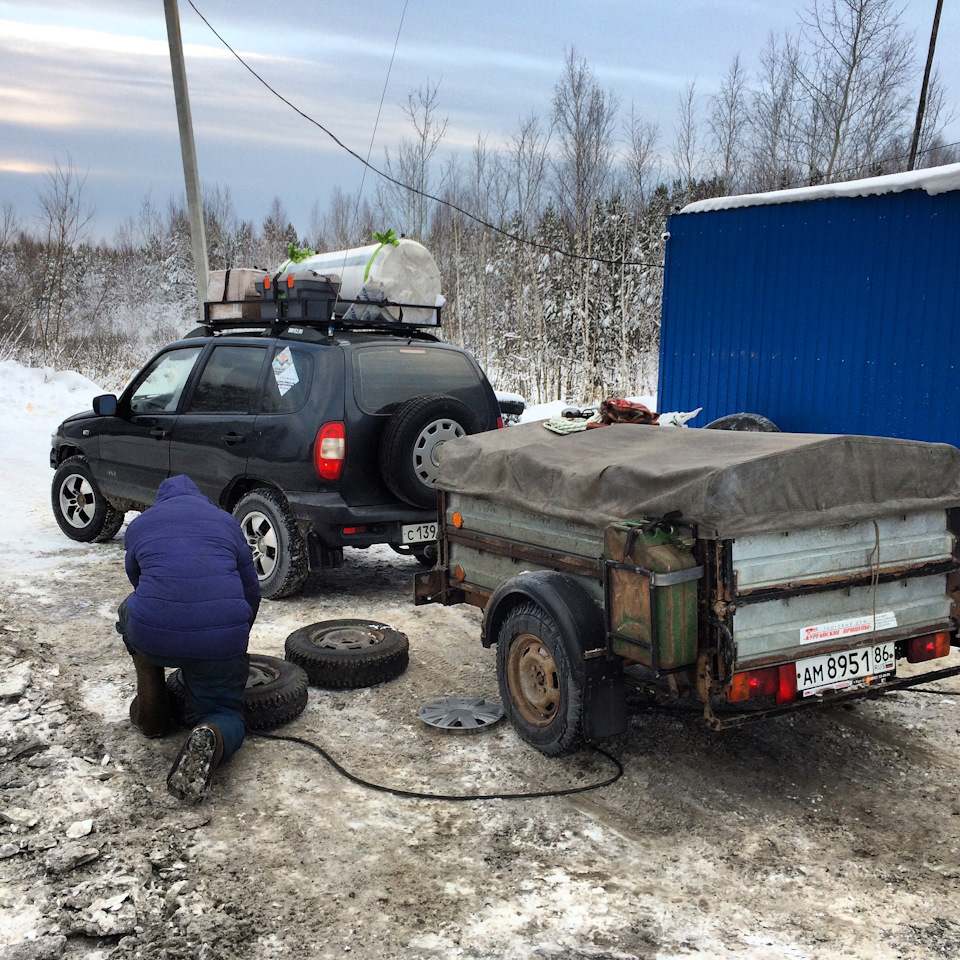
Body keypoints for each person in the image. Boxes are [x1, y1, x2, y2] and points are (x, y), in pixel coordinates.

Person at [115, 474, 260, 803]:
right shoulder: (226, 522)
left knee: (130, 611)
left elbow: (138, 581)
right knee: (224, 711)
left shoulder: (141, 525)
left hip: (154, 631)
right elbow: (251, 589)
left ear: (161, 501)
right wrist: (233, 637)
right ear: (201, 498)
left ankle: (152, 707)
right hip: (221, 636)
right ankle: (213, 733)